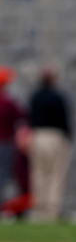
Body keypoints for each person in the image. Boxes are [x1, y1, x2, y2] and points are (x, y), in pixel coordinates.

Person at [27, 67, 72, 221]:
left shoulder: (35, 96)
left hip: (38, 136)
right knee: (56, 173)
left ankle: (40, 207)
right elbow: (64, 119)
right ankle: (53, 209)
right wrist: (68, 137)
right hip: (55, 136)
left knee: (39, 172)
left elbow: (29, 117)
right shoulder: (57, 97)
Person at [0, 67, 24, 206]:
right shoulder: (7, 102)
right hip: (4, 142)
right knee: (3, 174)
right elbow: (21, 116)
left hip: (5, 142)